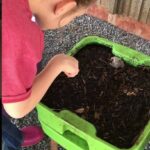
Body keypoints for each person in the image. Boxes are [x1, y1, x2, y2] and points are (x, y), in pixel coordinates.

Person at [2, 0, 95, 149]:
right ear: (64, 7)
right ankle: (13, 143)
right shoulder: (20, 36)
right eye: (75, 16)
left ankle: (15, 136)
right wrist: (57, 63)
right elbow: (17, 109)